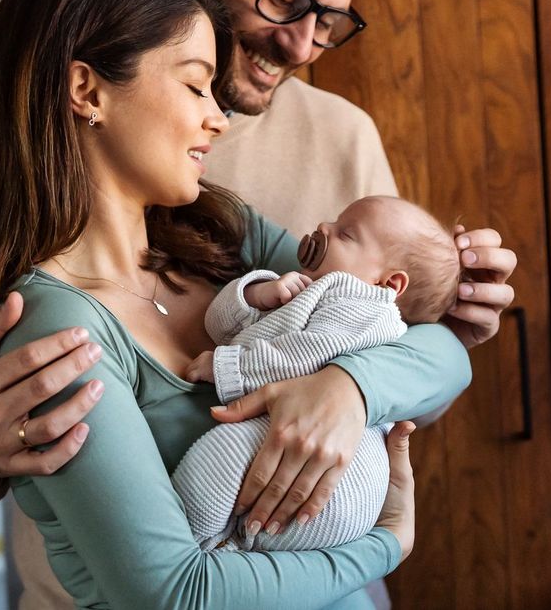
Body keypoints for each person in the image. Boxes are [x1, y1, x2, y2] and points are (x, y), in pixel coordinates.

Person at [0, 0, 518, 607]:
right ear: (86, 92)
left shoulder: (223, 220)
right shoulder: (50, 305)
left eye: (329, 22)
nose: (304, 43)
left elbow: (425, 344)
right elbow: (171, 588)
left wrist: (350, 387)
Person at [173, 196, 460, 553]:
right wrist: (256, 294)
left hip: (342, 482)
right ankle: (222, 547)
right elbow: (219, 327)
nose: (324, 228)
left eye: (346, 234)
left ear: (389, 283)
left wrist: (227, 367)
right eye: (334, 222)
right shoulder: (313, 291)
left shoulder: (367, 308)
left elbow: (301, 356)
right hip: (312, 473)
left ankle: (190, 546)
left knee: (220, 455)